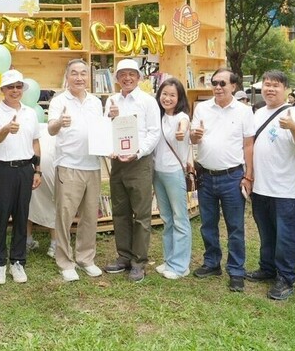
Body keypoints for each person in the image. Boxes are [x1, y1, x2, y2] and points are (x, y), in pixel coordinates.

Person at [190, 68, 254, 292]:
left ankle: (236, 271)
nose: (217, 87)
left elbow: (248, 145)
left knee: (235, 227)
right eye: (214, 83)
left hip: (232, 177)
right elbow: (192, 136)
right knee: (208, 224)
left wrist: (249, 175)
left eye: (222, 84)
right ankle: (211, 263)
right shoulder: (202, 108)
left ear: (233, 86)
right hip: (206, 176)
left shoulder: (244, 111)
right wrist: (193, 136)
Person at [247, 70, 295, 300]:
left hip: (285, 189)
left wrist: (293, 127)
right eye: (267, 84)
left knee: (286, 235)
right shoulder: (257, 113)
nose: (270, 89)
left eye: (276, 85)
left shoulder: (294, 113)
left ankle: (285, 277)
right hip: (260, 186)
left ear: (285, 89)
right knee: (266, 231)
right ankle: (267, 268)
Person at [47, 59, 104, 282]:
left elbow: (102, 131)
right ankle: (64, 261)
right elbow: (51, 130)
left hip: (93, 165)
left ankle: (86, 258)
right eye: (74, 73)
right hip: (68, 165)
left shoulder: (96, 102)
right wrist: (60, 121)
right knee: (65, 215)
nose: (79, 77)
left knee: (90, 216)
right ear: (67, 76)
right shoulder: (59, 101)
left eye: (83, 73)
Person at [103, 59, 160, 282]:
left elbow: (154, 132)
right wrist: (110, 119)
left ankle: (139, 261)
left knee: (142, 214)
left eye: (132, 74)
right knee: (120, 211)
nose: (127, 78)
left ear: (139, 77)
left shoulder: (147, 101)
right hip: (118, 162)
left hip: (139, 162)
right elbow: (106, 130)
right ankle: (123, 256)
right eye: (122, 74)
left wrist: (139, 151)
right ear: (117, 79)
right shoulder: (112, 100)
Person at [0, 69, 42, 285]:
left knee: (22, 215)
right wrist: (7, 128)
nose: (15, 91)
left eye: (19, 87)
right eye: (11, 87)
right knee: (0, 216)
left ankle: (18, 261)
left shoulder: (30, 112)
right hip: (2, 169)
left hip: (25, 169)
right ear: (3, 90)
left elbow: (36, 142)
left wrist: (37, 170)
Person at [152, 78, 193, 280]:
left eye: (172, 95)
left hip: (174, 172)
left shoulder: (181, 117)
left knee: (180, 218)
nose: (167, 98)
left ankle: (180, 265)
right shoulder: (157, 116)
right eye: (164, 94)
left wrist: (182, 131)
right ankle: (169, 260)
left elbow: (184, 126)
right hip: (157, 172)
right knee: (167, 218)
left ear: (179, 98)